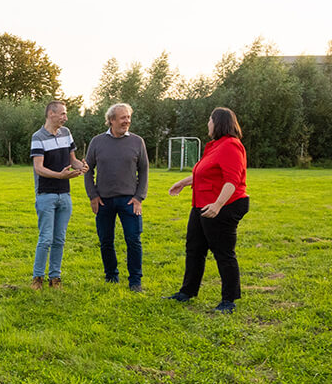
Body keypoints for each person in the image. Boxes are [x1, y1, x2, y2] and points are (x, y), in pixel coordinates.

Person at [167, 107, 249, 313]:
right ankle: (187, 292)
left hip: (223, 205)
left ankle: (229, 300)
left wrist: (218, 205)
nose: (208, 124)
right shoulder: (214, 146)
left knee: (223, 253)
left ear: (218, 123)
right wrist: (184, 182)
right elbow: (204, 172)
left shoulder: (231, 146)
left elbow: (232, 180)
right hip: (202, 204)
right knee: (194, 249)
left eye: (210, 120)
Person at [83, 103, 148, 291]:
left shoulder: (137, 142)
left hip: (130, 201)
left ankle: (135, 281)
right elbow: (88, 170)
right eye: (122, 118)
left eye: (128, 117)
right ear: (111, 120)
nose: (127, 121)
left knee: (133, 240)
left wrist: (139, 197)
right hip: (104, 200)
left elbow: (144, 170)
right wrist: (93, 196)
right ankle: (111, 276)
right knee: (105, 241)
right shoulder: (97, 142)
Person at [30, 101, 88, 289]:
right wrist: (60, 176)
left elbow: (73, 160)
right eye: (62, 114)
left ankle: (55, 278)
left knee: (59, 239)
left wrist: (81, 166)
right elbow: (39, 168)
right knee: (45, 238)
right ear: (51, 114)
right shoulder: (38, 137)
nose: (66, 117)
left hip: (65, 194)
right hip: (46, 194)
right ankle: (37, 278)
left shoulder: (66, 133)